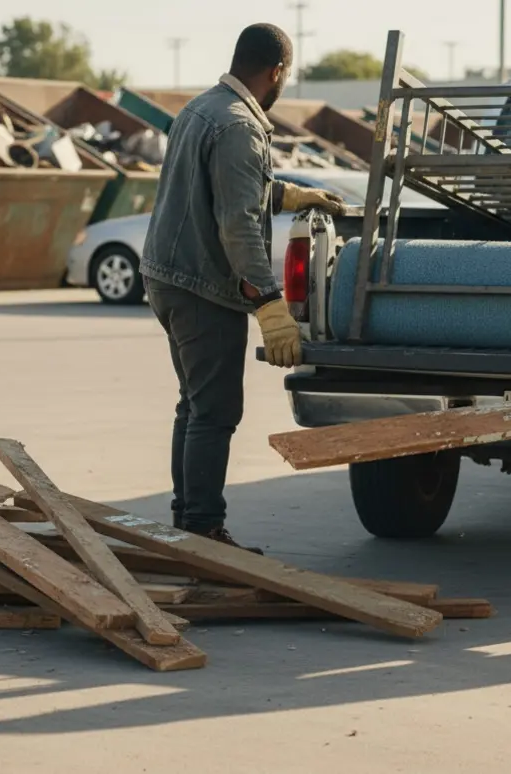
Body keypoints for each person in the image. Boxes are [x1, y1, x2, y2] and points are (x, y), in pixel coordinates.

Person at [139, 23, 346, 552]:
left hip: (167, 277)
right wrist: (268, 302)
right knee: (215, 411)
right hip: (201, 286)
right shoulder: (239, 127)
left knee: (194, 405)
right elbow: (236, 222)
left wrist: (293, 196)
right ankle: (203, 530)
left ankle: (186, 523)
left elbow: (231, 187)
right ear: (276, 72)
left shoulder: (201, 109)